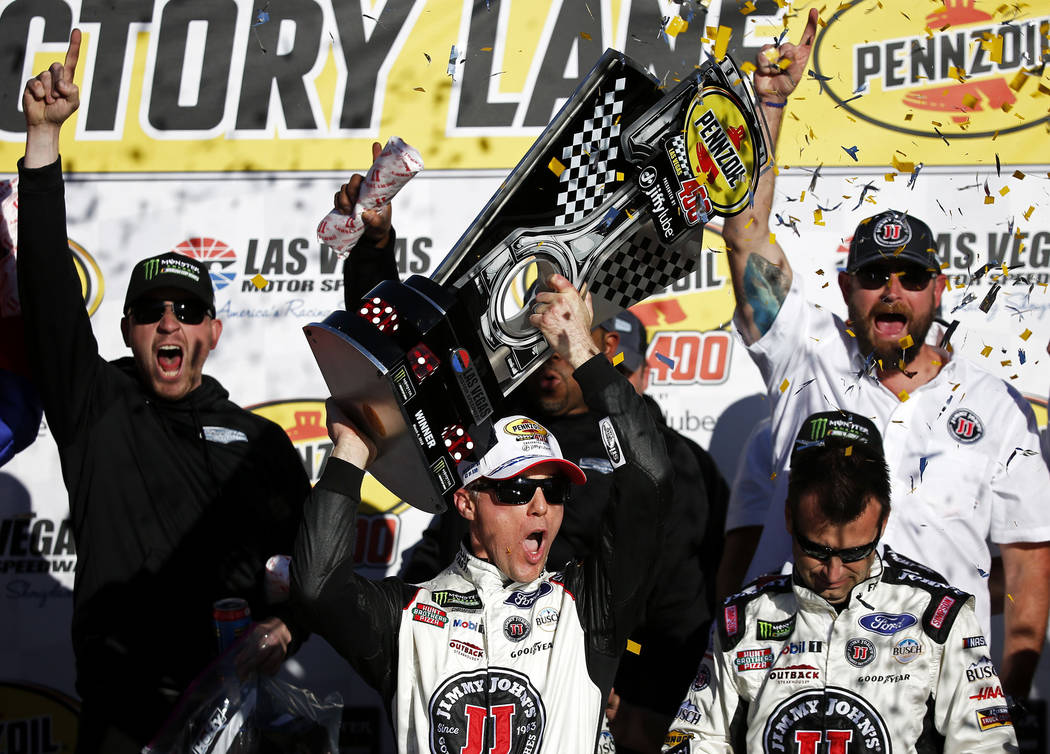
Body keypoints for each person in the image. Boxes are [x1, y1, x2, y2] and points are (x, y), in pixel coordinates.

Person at [716, 8, 1050, 700]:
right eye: (873, 276)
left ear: (938, 289)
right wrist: (770, 108)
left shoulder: (994, 406)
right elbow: (747, 239)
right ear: (846, 289)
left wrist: (1008, 704)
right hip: (797, 696)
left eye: (911, 276)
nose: (891, 291)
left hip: (938, 706)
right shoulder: (807, 357)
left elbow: (1025, 567)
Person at [18, 31, 310, 752]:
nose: (168, 323)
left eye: (185, 312)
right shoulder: (96, 409)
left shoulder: (262, 445)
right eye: (152, 312)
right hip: (122, 719)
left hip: (236, 721)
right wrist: (42, 139)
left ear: (212, 331)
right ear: (129, 328)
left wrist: (293, 623)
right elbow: (50, 294)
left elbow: (315, 568)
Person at [292, 274, 673, 752]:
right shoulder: (407, 617)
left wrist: (580, 347)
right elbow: (317, 587)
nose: (540, 505)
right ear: (466, 501)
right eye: (515, 489)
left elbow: (650, 476)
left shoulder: (587, 607)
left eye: (554, 490)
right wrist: (351, 450)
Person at [663, 411, 1019, 753]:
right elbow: (694, 739)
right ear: (789, 517)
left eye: (854, 553)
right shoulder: (742, 619)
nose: (833, 573)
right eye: (815, 550)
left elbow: (986, 745)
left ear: (882, 523)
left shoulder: (938, 617)